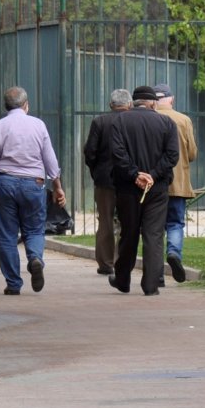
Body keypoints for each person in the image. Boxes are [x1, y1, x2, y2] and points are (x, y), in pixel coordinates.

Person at [0, 86, 66, 296]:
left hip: (5, 183)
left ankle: (13, 283)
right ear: (26, 105)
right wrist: (57, 187)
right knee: (34, 229)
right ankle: (35, 258)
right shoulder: (39, 125)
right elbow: (50, 159)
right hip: (33, 183)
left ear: (6, 106)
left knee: (6, 234)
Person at [109, 86, 179, 296]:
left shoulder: (120, 121)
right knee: (154, 235)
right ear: (152, 103)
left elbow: (117, 153)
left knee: (129, 234)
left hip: (128, 188)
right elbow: (172, 155)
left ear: (134, 102)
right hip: (156, 189)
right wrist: (153, 175)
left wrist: (135, 175)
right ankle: (150, 284)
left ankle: (122, 279)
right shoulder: (167, 123)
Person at [83, 89, 132, 276]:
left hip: (104, 180)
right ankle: (122, 260)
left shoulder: (99, 122)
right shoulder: (132, 121)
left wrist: (96, 171)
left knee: (105, 221)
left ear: (111, 104)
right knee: (127, 221)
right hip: (128, 178)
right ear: (129, 104)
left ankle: (106, 262)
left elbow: (90, 152)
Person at [154, 83, 198, 285]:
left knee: (153, 228)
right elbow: (191, 153)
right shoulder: (183, 120)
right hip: (178, 182)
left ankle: (156, 274)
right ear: (171, 99)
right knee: (175, 223)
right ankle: (173, 252)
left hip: (153, 182)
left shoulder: (149, 119)